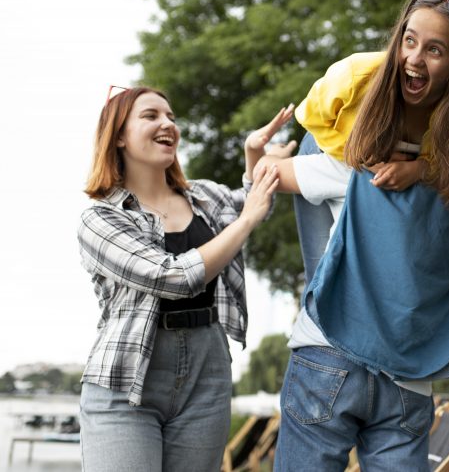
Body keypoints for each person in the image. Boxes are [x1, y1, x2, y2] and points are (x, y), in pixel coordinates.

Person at [251, 0, 449, 471]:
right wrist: (425, 169)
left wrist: (258, 157)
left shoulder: (347, 170)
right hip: (410, 375)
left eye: (434, 49)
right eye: (410, 40)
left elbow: (267, 179)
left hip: (329, 353)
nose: (415, 58)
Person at [77, 86, 291, 472]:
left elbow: (253, 201)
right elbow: (171, 276)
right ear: (119, 135)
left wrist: (253, 157)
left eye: (171, 117)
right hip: (126, 380)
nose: (167, 124)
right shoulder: (101, 219)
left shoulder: (206, 197)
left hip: (207, 371)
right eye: (151, 116)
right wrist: (247, 218)